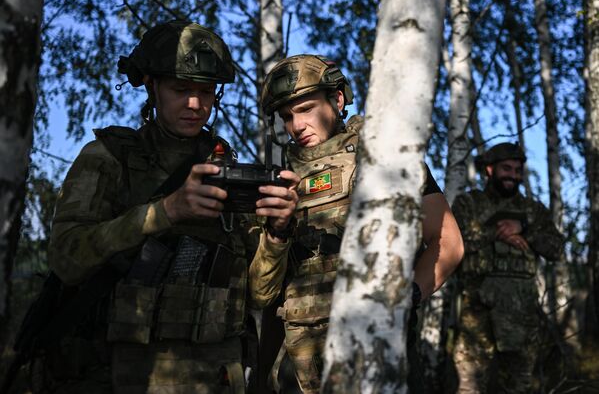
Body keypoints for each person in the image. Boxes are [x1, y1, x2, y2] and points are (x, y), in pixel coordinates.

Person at [39, 21, 299, 393]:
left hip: (216, 377)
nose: (196, 104)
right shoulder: (108, 159)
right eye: (181, 90)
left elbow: (257, 294)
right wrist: (164, 213)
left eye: (206, 91)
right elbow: (66, 258)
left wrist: (277, 232)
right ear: (152, 86)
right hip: (121, 375)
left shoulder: (229, 171)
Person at [249, 54, 464, 393]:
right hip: (301, 366)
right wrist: (276, 235)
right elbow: (267, 295)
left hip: (377, 354)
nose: (296, 125)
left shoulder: (385, 158)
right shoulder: (279, 180)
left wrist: (406, 297)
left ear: (336, 99)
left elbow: (448, 241)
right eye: (287, 116)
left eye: (305, 109)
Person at [452, 142, 563, 393]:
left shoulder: (533, 210)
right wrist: (497, 231)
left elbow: (556, 249)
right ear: (490, 169)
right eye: (506, 168)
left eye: (517, 170)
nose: (513, 175)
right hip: (476, 315)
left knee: (519, 387)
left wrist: (525, 229)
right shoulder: (468, 204)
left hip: (522, 318)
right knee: (469, 387)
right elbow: (452, 244)